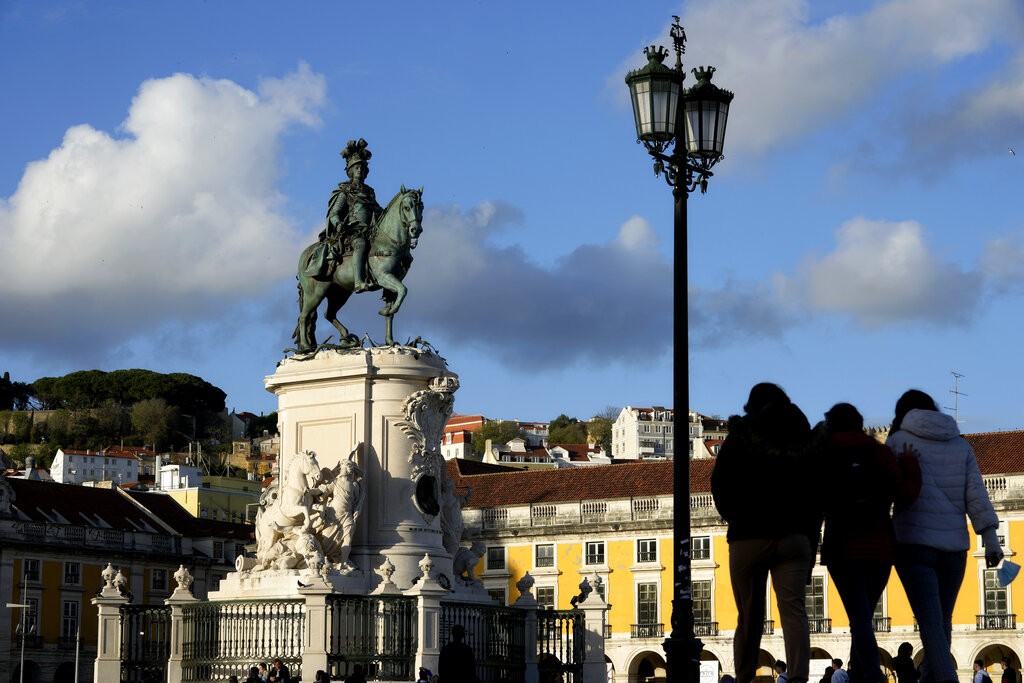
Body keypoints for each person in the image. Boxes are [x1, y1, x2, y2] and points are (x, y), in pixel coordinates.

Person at [887, 390, 1003, 683]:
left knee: (930, 623)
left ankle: (946, 679)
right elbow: (976, 495)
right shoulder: (960, 446)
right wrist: (990, 539)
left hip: (914, 543)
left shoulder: (898, 442)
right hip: (954, 548)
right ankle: (931, 678)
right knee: (943, 621)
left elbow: (885, 490)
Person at [711, 382, 820, 683]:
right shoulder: (803, 436)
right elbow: (816, 493)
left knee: (749, 615)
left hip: (749, 534)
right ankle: (798, 678)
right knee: (794, 611)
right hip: (795, 534)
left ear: (751, 407)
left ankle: (744, 677)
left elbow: (719, 484)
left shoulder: (739, 437)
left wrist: (736, 516)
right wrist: (810, 539)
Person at [817, 403, 921, 683]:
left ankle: (870, 674)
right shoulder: (880, 453)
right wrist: (910, 464)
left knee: (859, 617)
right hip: (879, 547)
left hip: (842, 547)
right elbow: (907, 493)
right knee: (861, 617)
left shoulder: (823, 455)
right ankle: (861, 673)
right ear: (860, 423)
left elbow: (812, 502)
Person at [307, 138, 384, 290]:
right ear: (350, 171)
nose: (360, 171)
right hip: (353, 231)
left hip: (371, 231)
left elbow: (378, 210)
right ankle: (359, 282)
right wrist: (339, 223)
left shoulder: (369, 192)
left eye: (362, 168)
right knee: (360, 244)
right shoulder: (345, 191)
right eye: (356, 168)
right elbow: (335, 213)